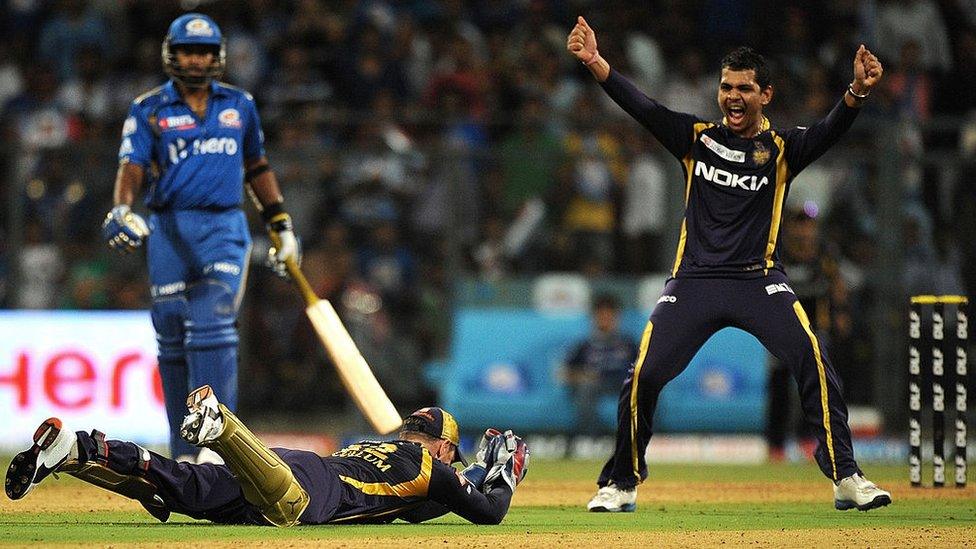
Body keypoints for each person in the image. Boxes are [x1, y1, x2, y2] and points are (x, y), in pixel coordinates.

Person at [566, 16, 891, 512]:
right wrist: (595, 62)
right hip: (694, 281)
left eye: (744, 88)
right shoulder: (696, 139)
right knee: (643, 377)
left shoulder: (781, 150)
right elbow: (644, 107)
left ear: (766, 95)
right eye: (725, 87)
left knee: (815, 362)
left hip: (758, 282)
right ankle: (621, 483)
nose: (732, 96)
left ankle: (846, 476)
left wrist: (857, 92)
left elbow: (830, 129)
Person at [101, 13, 299, 462]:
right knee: (171, 328)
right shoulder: (148, 108)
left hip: (224, 229)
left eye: (205, 52)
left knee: (211, 318)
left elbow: (257, 167)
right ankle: (182, 451)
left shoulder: (240, 104)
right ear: (172, 54)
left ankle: (220, 448)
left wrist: (281, 223)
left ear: (218, 56)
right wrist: (122, 208)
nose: (196, 60)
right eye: (189, 51)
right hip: (169, 228)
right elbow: (131, 166)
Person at [5, 385, 529, 526]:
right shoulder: (428, 467)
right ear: (442, 447)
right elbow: (489, 513)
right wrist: (501, 473)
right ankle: (222, 426)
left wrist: (478, 469)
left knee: (175, 483)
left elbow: (420, 509)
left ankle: (78, 450)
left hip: (295, 463)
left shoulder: (377, 447)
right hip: (310, 491)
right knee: (287, 509)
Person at [765, 208, 852, 462]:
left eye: (808, 225)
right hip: (782, 328)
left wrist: (842, 313)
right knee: (779, 385)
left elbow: (838, 287)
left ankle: (807, 440)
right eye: (799, 224)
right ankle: (775, 446)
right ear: (790, 227)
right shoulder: (778, 252)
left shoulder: (825, 254)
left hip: (815, 330)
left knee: (814, 385)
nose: (803, 231)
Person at [562, 294, 638, 435]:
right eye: (601, 315)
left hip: (623, 383)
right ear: (594, 318)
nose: (605, 319)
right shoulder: (585, 345)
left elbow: (645, 367)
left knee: (644, 389)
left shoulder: (628, 343)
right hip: (596, 384)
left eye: (609, 315)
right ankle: (591, 438)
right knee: (585, 389)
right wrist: (584, 376)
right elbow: (565, 373)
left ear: (616, 317)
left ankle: (638, 438)